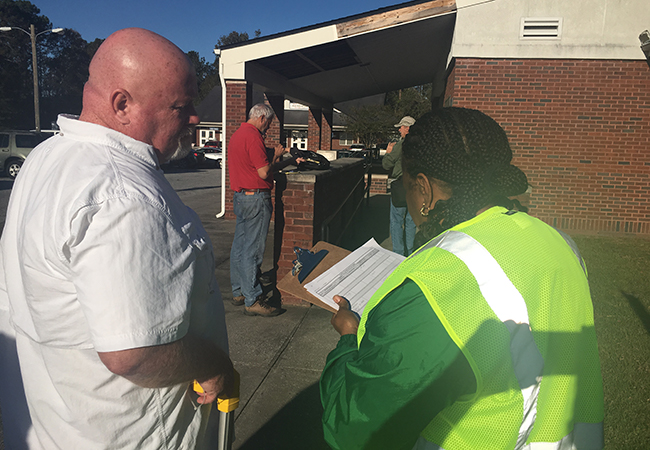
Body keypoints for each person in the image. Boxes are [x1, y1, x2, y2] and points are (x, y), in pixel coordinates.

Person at [0, 28, 234, 449]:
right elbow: (135, 352)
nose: (196, 117)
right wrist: (214, 363)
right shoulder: (121, 196)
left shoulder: (47, 157)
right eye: (182, 106)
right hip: (131, 435)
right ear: (122, 104)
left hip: (61, 424)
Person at [320, 107, 604, 450]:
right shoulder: (559, 243)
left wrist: (348, 338)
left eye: (407, 186)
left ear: (422, 190)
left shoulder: (441, 281)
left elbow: (354, 432)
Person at [228, 103, 302, 317]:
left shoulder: (238, 135)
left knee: (240, 247)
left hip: (241, 197)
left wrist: (277, 153)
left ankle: (239, 291)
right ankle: (253, 300)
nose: (268, 128)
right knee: (253, 251)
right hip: (256, 199)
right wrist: (284, 160)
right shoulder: (253, 137)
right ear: (261, 118)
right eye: (268, 123)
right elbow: (263, 172)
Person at [383, 115, 417, 256]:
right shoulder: (421, 146)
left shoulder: (399, 146)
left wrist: (388, 152)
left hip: (400, 186)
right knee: (411, 220)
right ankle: (410, 251)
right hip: (415, 187)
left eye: (401, 127)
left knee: (397, 221)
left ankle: (398, 253)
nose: (399, 130)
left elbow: (386, 165)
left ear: (407, 128)